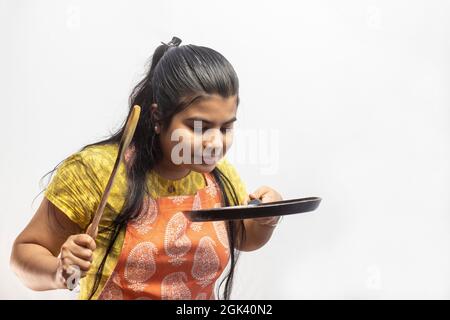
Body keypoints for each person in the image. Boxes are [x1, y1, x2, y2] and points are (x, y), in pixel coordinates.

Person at [10, 36, 283, 300]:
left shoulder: (218, 177)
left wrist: (266, 217)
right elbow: (24, 253)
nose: (214, 142)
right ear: (157, 117)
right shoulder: (96, 172)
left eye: (225, 127)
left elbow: (243, 238)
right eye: (198, 126)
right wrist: (60, 272)